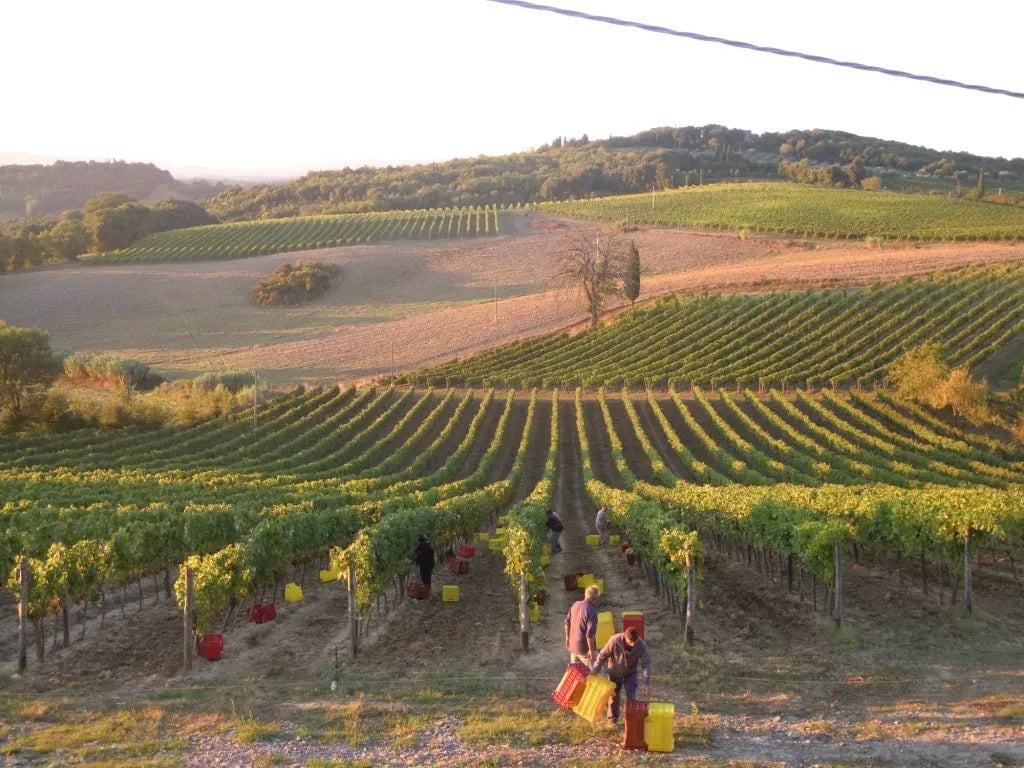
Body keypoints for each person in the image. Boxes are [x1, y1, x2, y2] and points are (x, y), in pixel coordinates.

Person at [591, 626, 652, 724]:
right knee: (613, 697)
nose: (633, 644)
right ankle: (612, 720)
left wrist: (646, 683)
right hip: (614, 673)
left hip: (631, 673)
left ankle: (632, 721)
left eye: (634, 642)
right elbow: (602, 655)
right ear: (625, 636)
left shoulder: (641, 645)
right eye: (630, 642)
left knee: (631, 697)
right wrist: (596, 668)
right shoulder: (615, 640)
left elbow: (647, 664)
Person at [564, 584, 600, 665]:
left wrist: (567, 638)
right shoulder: (592, 611)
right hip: (584, 648)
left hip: (573, 646)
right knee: (595, 673)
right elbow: (590, 634)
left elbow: (566, 623)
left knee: (576, 673)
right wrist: (591, 649)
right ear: (596, 598)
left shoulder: (575, 604)